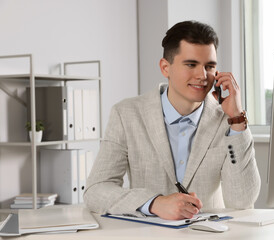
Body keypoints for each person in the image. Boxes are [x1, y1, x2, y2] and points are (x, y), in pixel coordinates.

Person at [84, 20, 261, 220]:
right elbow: (96, 191)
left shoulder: (227, 120)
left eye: (210, 66)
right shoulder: (126, 114)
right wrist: (154, 203)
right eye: (191, 64)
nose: (203, 76)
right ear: (165, 68)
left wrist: (237, 119)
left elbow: (243, 201)